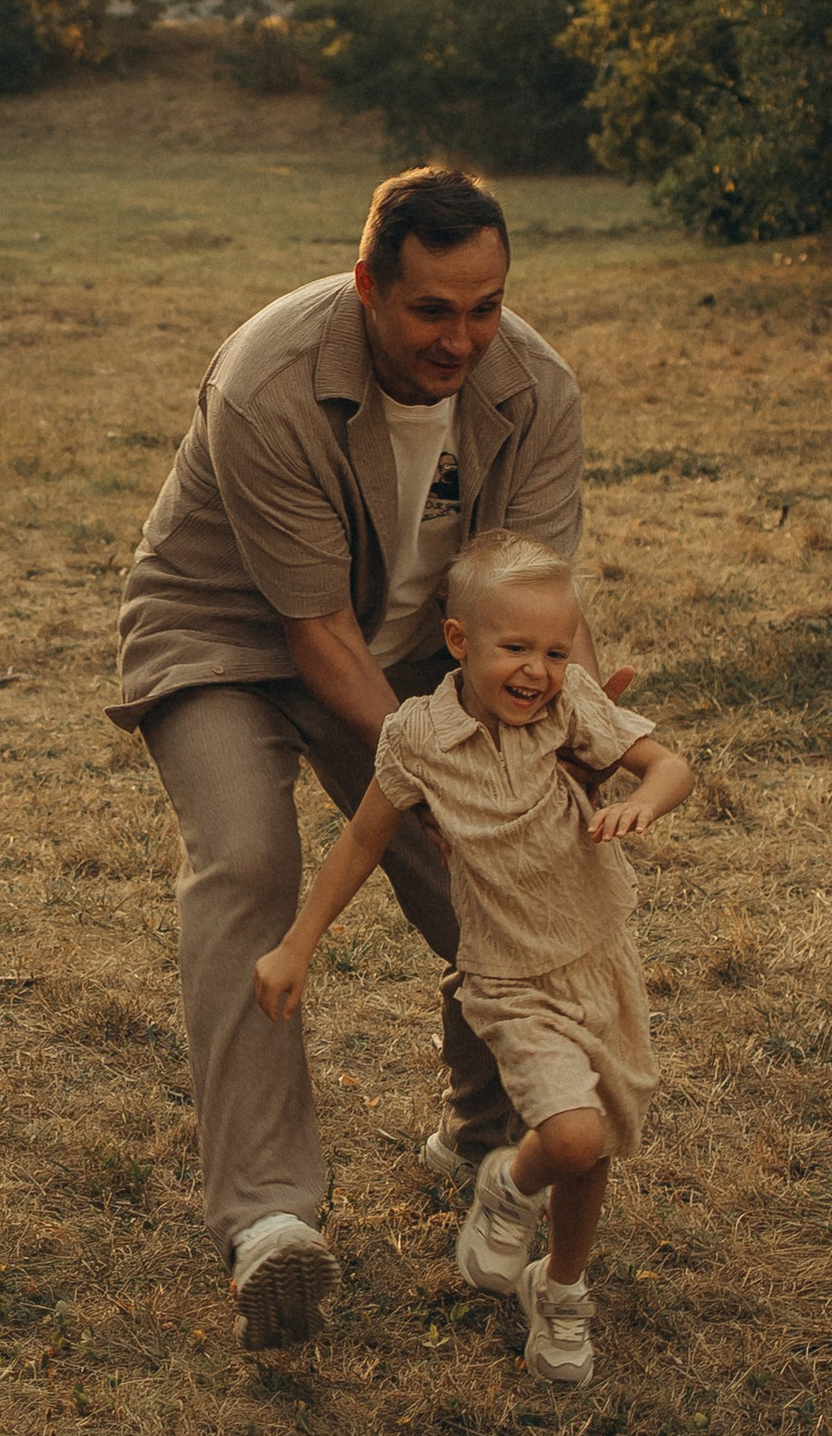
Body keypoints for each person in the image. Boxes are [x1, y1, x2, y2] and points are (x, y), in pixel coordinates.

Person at [115, 163, 624, 1355]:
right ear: (366, 289)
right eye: (432, 311)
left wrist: (574, 739)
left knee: (501, 856)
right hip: (226, 634)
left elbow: (537, 602)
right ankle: (269, 1221)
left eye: (486, 307)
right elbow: (312, 634)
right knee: (248, 863)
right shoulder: (268, 381)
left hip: (407, 646)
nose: (463, 339)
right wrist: (441, 780)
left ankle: (488, 1133)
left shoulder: (533, 386)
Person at [251, 529, 691, 1387]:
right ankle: (507, 1186)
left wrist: (645, 803)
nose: (537, 670)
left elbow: (668, 763)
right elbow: (361, 843)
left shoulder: (572, 709)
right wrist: (297, 943)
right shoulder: (419, 738)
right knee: (567, 1135)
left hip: (601, 956)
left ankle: (560, 1287)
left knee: (595, 1146)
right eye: (516, 648)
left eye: (556, 651)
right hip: (511, 977)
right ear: (460, 641)